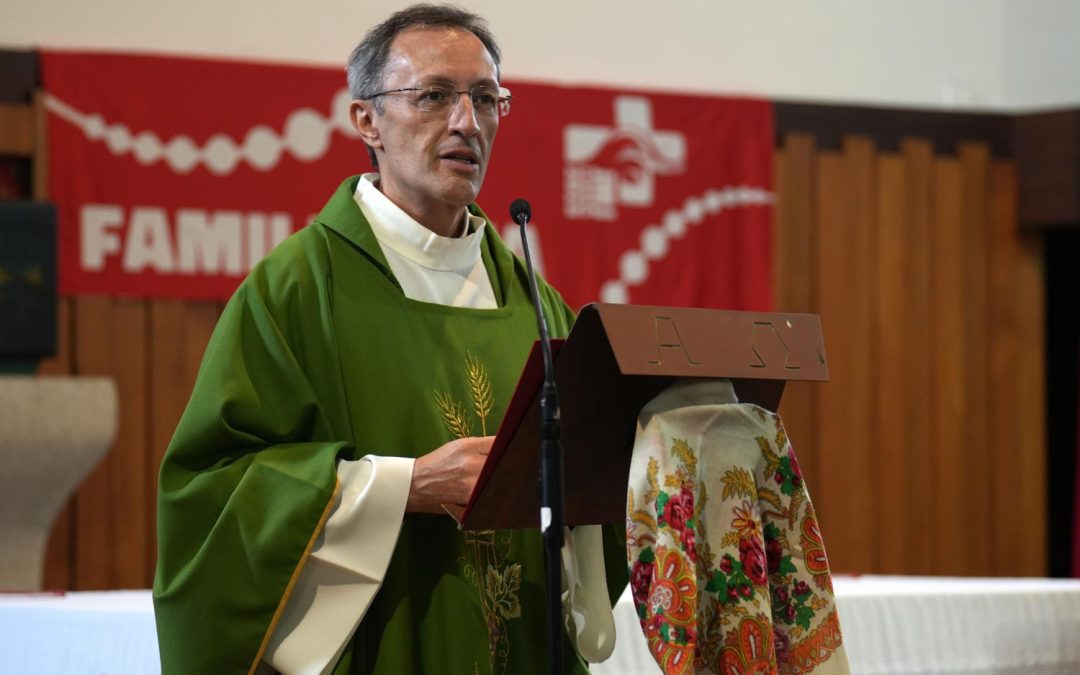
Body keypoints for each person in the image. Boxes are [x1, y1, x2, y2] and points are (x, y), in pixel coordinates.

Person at [152, 5, 626, 675]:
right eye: (434, 96)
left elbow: (597, 507)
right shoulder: (296, 289)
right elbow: (213, 493)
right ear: (366, 121)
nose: (467, 122)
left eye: (485, 98)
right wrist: (403, 485)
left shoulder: (537, 305)